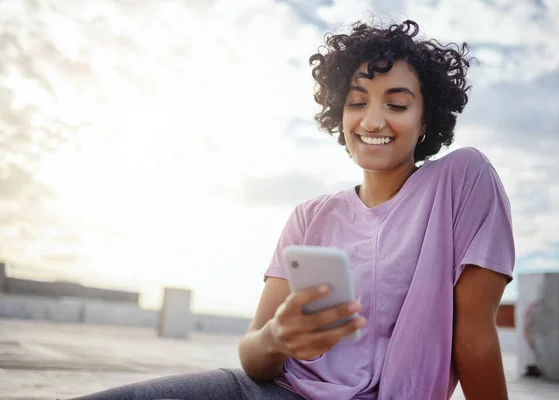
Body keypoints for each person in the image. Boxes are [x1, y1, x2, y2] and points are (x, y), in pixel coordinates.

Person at [71, 18, 515, 400]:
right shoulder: (310, 216)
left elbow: (473, 335)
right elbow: (253, 354)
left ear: (426, 120)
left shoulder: (463, 179)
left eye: (397, 104)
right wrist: (277, 338)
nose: (373, 120)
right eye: (357, 103)